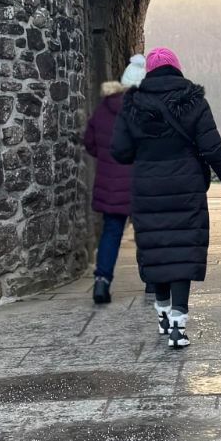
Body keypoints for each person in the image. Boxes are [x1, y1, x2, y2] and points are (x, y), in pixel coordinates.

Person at [110, 45, 221, 349]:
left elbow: (119, 151)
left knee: (157, 248)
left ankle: (162, 314)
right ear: (177, 68)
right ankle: (178, 326)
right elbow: (213, 149)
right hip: (186, 186)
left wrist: (144, 148)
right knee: (182, 250)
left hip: (146, 188)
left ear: (149, 72)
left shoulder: (132, 103)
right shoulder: (193, 101)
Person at [81, 55, 145, 304]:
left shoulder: (103, 109)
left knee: (111, 231)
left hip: (110, 183)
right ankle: (152, 281)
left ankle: (102, 281)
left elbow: (90, 142)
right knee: (146, 231)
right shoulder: (144, 110)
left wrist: (107, 159)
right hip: (140, 182)